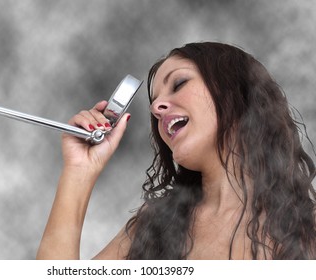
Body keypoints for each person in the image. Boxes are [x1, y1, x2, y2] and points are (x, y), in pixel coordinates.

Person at [36, 42, 316, 260]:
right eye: (155, 102)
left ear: (235, 91)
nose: (155, 109)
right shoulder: (155, 226)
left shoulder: (307, 229)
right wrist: (79, 171)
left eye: (179, 83)